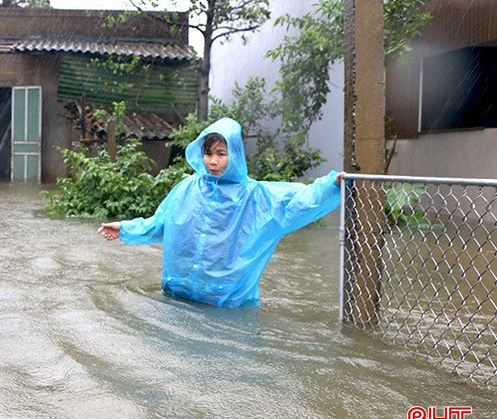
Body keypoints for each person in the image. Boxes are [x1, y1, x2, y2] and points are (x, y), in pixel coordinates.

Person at [98, 117, 342, 308]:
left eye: (221, 154)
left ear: (234, 155)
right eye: (208, 153)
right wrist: (125, 228)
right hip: (179, 296)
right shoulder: (187, 189)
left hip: (227, 304)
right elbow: (161, 223)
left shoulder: (255, 196)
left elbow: (298, 202)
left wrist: (331, 186)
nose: (212, 161)